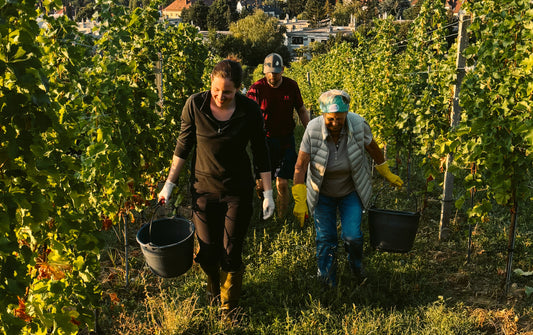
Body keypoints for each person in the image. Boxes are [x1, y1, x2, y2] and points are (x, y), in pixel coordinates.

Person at [158, 58, 275, 315]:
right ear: (210, 84)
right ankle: (213, 290)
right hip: (203, 190)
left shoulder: (249, 110)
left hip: (238, 191)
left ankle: (228, 308)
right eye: (216, 90)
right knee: (208, 252)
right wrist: (169, 184)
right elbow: (183, 148)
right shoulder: (195, 105)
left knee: (231, 251)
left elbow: (261, 153)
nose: (221, 96)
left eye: (228, 92)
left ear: (239, 89)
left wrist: (268, 193)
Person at [292, 89, 403, 287]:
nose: (335, 124)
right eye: (331, 119)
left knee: (353, 236)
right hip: (322, 192)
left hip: (350, 190)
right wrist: (300, 198)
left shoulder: (359, 124)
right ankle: (327, 279)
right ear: (323, 114)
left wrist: (385, 171)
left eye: (340, 119)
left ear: (347, 115)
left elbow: (373, 148)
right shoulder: (313, 129)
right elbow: (300, 166)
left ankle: (356, 268)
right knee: (326, 237)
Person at [246, 53, 310, 219]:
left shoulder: (291, 86)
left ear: (282, 70)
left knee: (281, 183)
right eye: (269, 72)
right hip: (263, 141)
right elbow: (247, 116)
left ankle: (280, 220)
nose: (273, 75)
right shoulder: (256, 89)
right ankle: (266, 210)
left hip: (285, 140)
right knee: (260, 185)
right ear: (264, 71)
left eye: (276, 72)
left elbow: (301, 110)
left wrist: (310, 131)